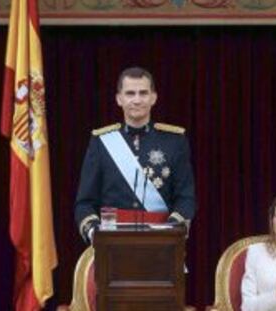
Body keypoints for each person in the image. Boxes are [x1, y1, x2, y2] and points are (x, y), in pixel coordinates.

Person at [74, 66, 196, 243]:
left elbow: (186, 198)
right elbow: (84, 203)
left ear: (153, 98)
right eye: (130, 93)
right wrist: (95, 233)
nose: (137, 100)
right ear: (119, 99)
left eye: (143, 93)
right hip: (112, 244)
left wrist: (171, 231)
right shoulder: (101, 142)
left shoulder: (174, 142)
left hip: (161, 244)